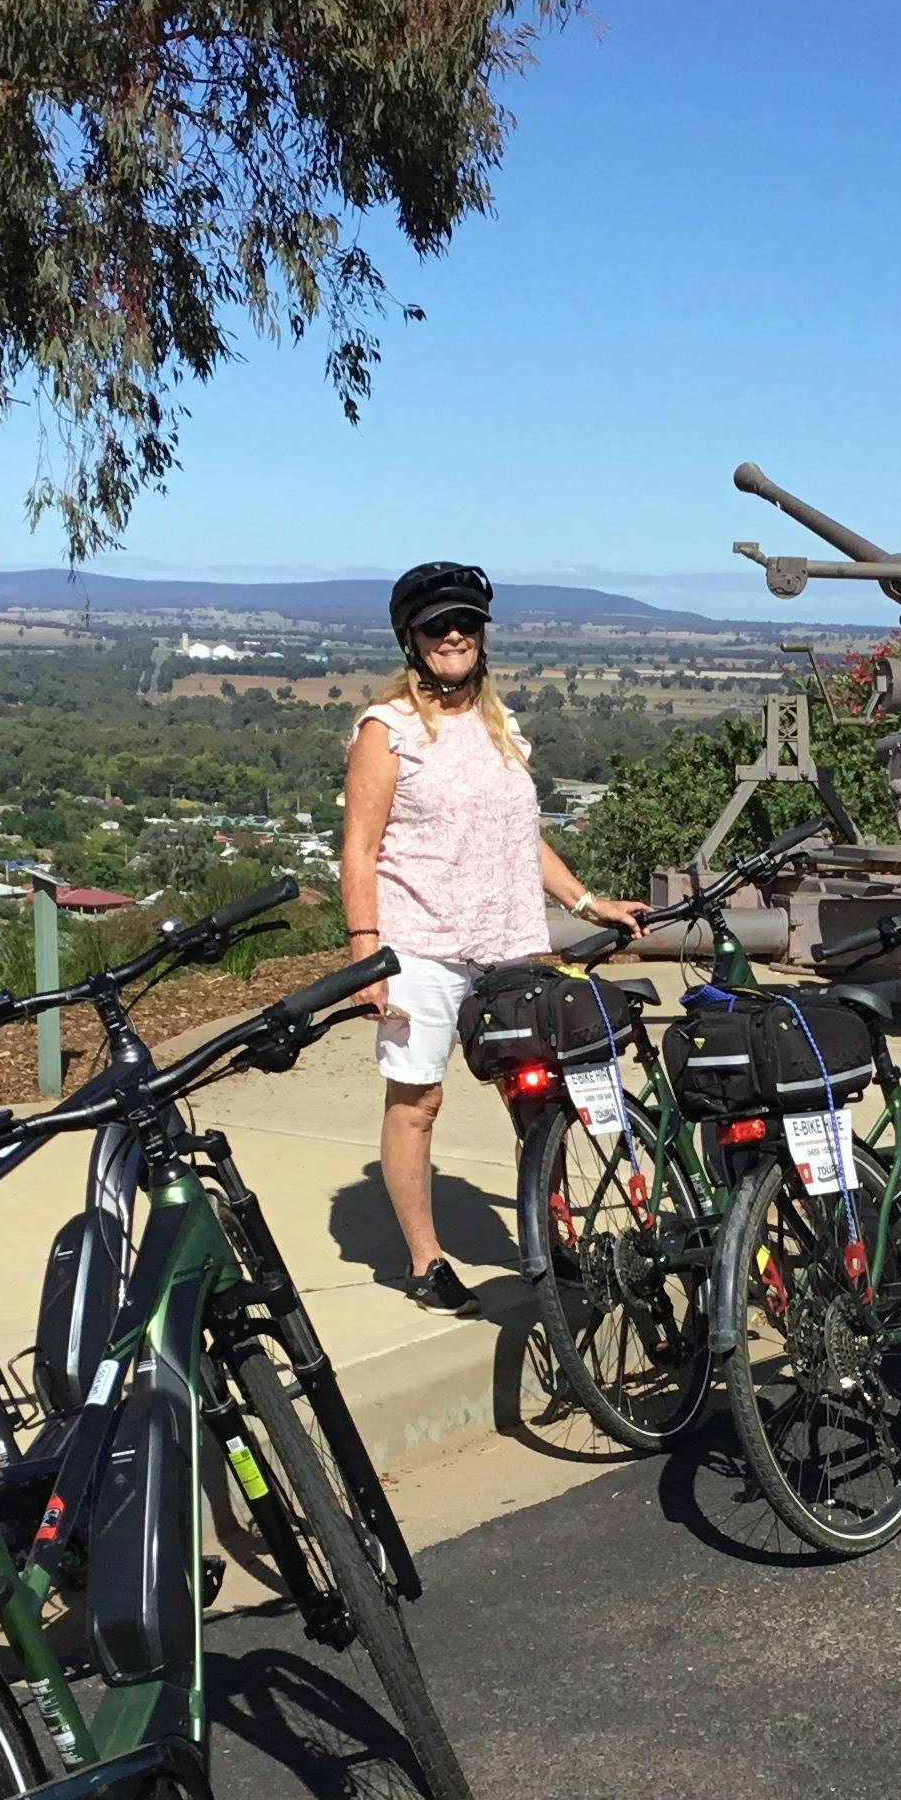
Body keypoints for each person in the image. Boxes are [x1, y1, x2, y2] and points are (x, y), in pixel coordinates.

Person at [340, 562, 643, 1312]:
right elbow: (358, 848)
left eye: (466, 623)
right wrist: (363, 952)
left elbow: (520, 840)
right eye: (437, 626)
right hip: (421, 944)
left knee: (539, 1104)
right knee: (418, 1100)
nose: (453, 636)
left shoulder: (501, 728)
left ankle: (552, 1240)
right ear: (409, 639)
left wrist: (587, 899)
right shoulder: (388, 731)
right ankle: (425, 1261)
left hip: (510, 943)